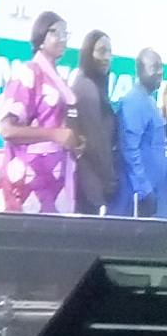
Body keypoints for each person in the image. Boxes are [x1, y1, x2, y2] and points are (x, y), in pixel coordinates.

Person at [0, 12, 77, 215]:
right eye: (56, 32)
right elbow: (7, 130)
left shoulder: (57, 77)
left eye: (66, 33)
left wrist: (72, 140)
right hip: (26, 190)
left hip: (52, 188)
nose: (63, 38)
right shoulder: (28, 72)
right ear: (40, 37)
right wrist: (54, 134)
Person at [71, 29, 118, 216]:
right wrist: (110, 179)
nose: (107, 57)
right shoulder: (87, 88)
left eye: (109, 52)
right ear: (88, 53)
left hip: (88, 181)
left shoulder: (90, 85)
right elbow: (95, 142)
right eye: (101, 50)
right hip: (87, 182)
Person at [120, 48, 167, 219]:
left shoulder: (149, 100)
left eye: (161, 67)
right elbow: (130, 149)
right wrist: (144, 189)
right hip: (144, 195)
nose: (160, 72)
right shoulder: (134, 101)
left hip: (158, 190)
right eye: (154, 67)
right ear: (140, 70)